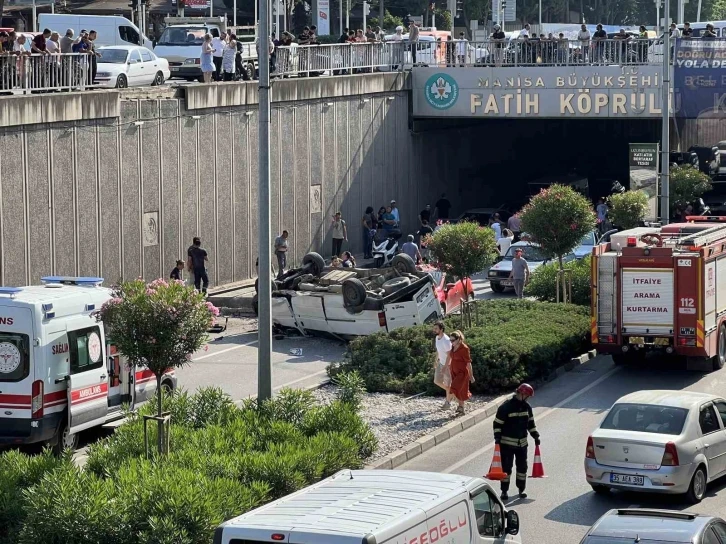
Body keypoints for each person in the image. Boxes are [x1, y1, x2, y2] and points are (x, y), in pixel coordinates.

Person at [493, 383, 540, 501]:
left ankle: (521, 489)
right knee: (506, 469)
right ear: (522, 394)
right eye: (527, 396)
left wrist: (535, 435)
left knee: (522, 468)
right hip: (507, 445)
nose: (528, 398)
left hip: (522, 445)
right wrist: (497, 438)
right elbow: (497, 424)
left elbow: (531, 424)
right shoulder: (505, 407)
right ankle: (504, 491)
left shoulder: (527, 407)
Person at [446, 330, 473, 416]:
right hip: (454, 371)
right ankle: (461, 408)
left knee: (454, 387)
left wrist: (471, 376)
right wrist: (446, 367)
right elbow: (450, 357)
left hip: (462, 373)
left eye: (453, 340)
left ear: (459, 339)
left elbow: (468, 363)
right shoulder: (453, 347)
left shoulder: (464, 348)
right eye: (450, 340)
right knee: (461, 390)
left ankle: (447, 402)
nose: (451, 342)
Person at [432, 321, 452, 408]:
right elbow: (438, 350)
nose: (434, 330)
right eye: (434, 328)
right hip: (440, 363)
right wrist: (436, 360)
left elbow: (449, 355)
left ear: (441, 329)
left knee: (447, 383)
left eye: (436, 328)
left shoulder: (446, 340)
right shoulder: (437, 338)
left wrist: (445, 366)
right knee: (437, 381)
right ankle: (452, 391)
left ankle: (447, 403)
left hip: (448, 365)